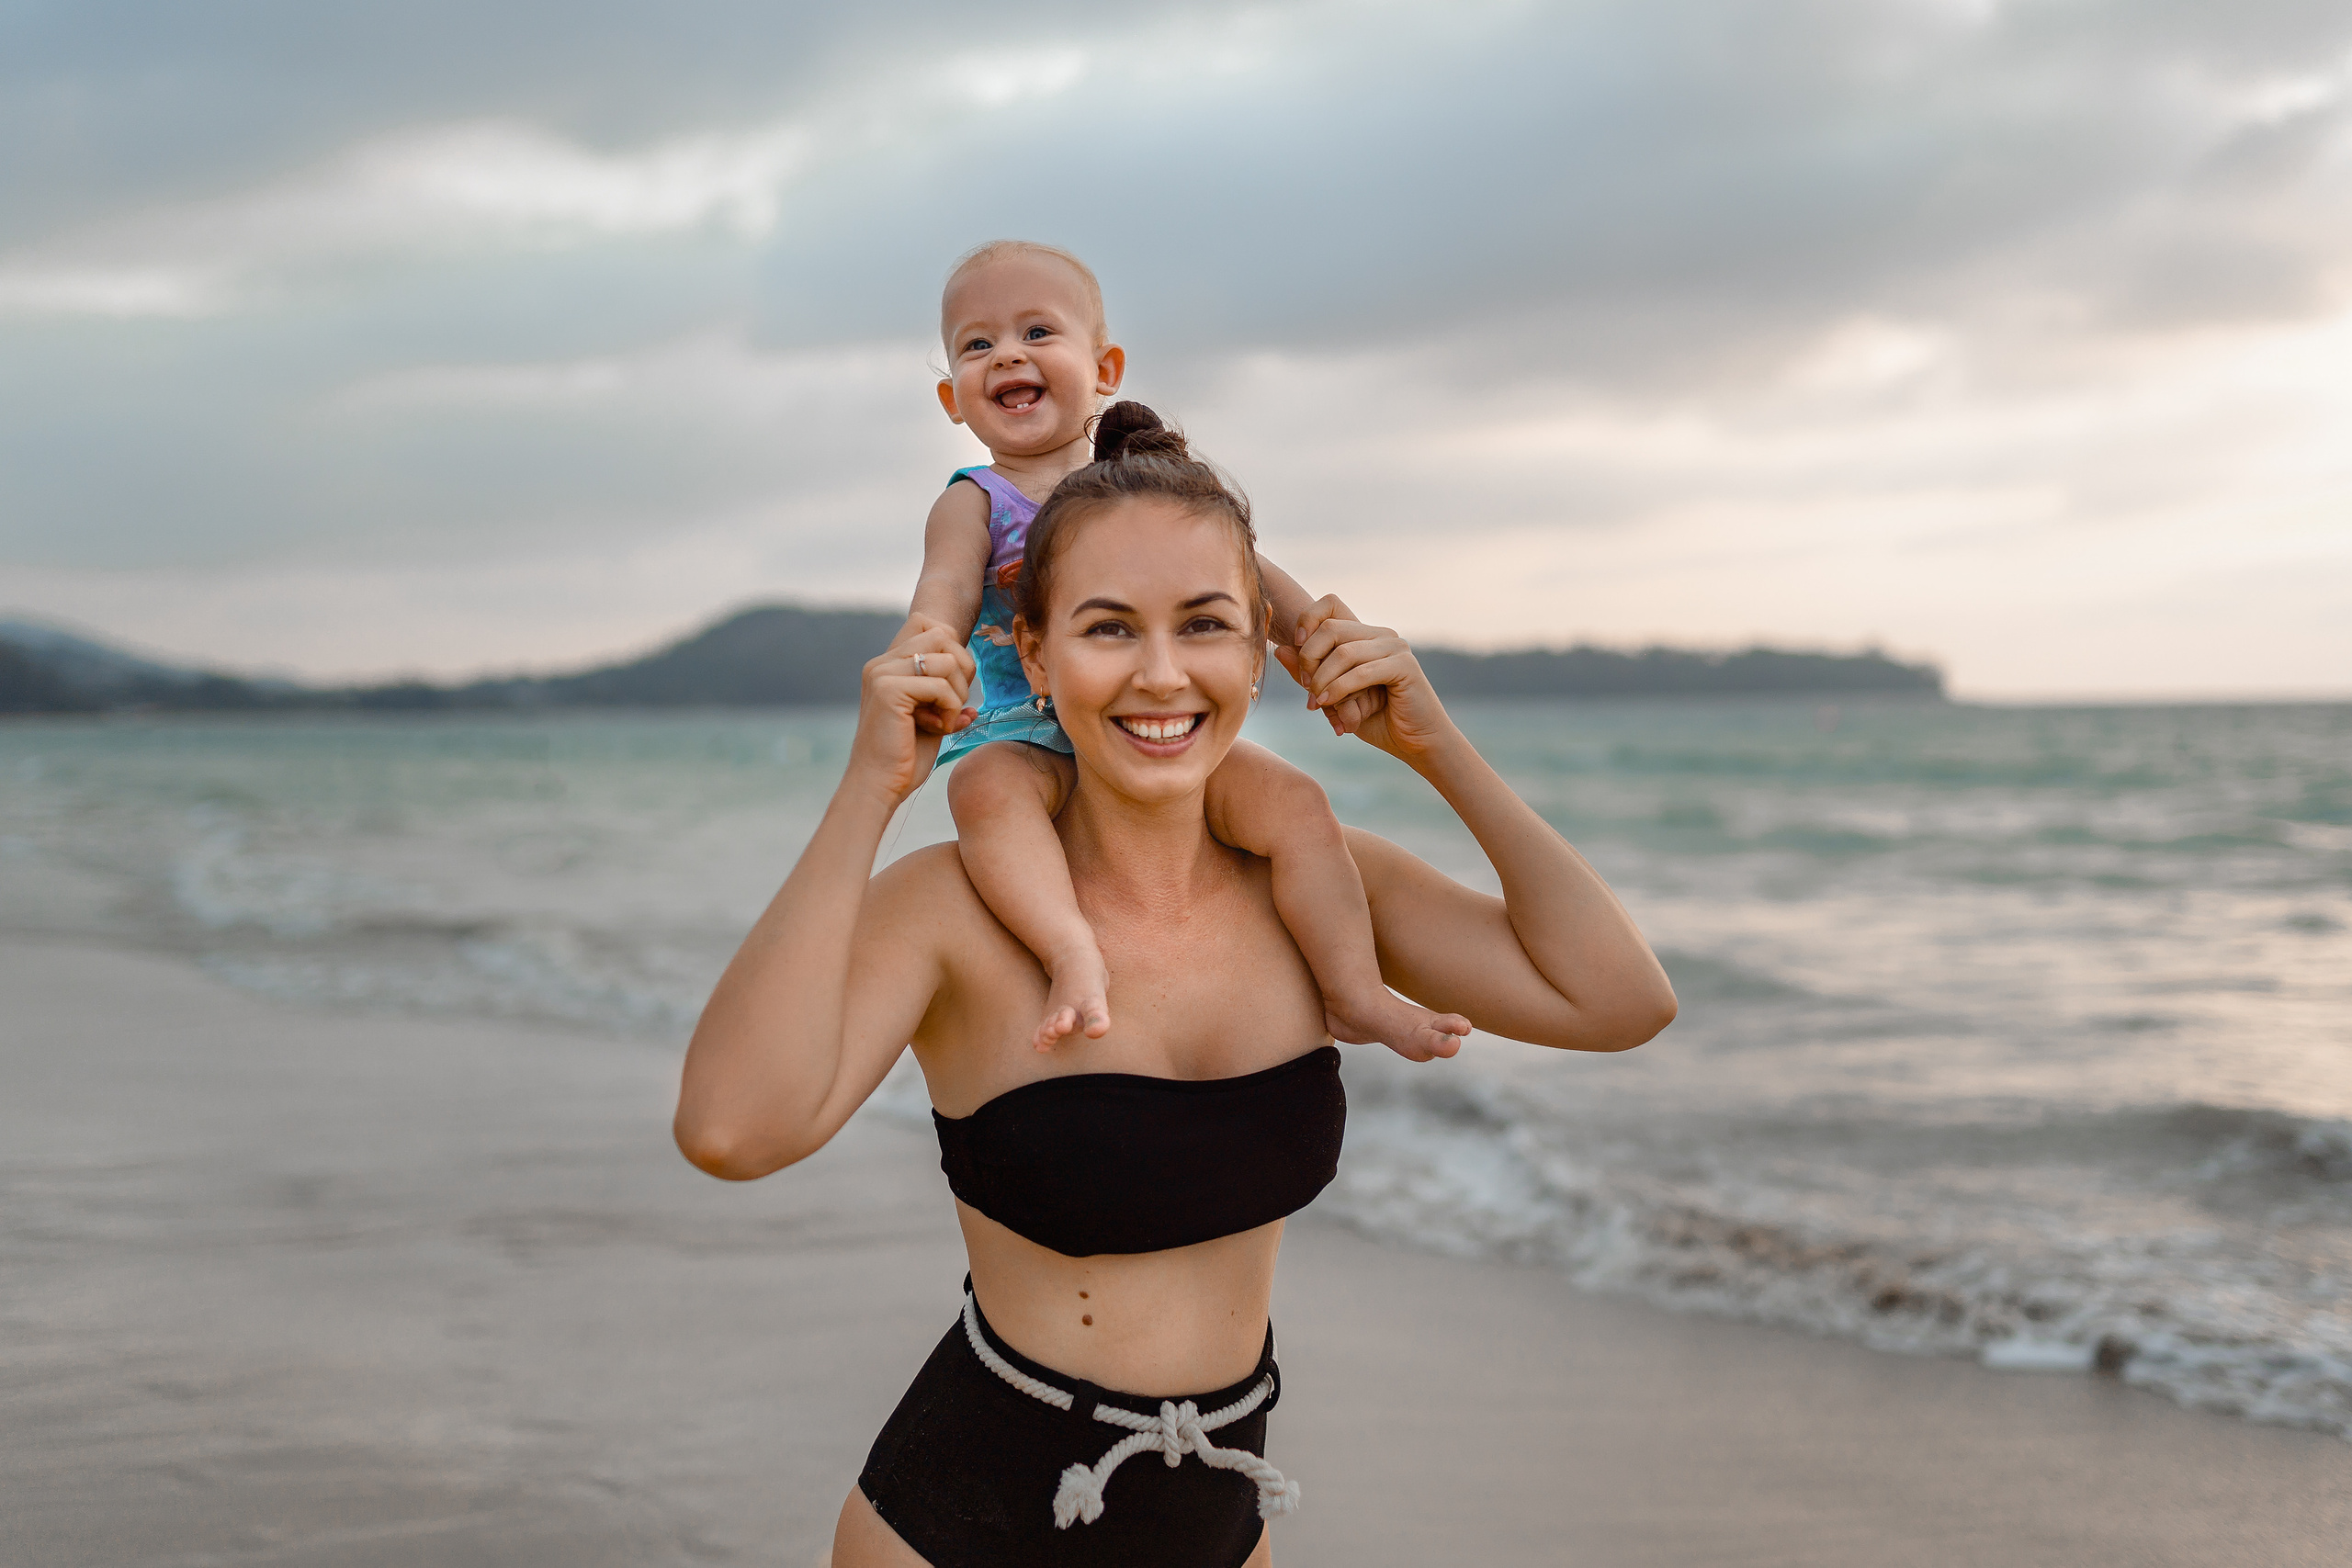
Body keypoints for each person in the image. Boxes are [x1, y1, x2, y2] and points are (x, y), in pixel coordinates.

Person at [674, 416, 1679, 1567]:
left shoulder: (1320, 889)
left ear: (1259, 654)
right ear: (1037, 659)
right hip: (966, 1525)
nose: (1162, 674)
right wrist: (871, 788)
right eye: (1109, 630)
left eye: (1204, 625)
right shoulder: (955, 908)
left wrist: (1435, 746)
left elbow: (1617, 1003)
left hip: (1220, 1520)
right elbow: (731, 1131)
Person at [905, 239, 1469, 1062]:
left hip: (1151, 728)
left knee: (1300, 807)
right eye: (979, 344)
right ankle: (1072, 950)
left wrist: (1317, 637)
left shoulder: (1144, 484)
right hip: (1021, 728)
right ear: (955, 397)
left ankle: (1351, 987)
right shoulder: (973, 503)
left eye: (1037, 331)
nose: (1009, 355)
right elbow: (944, 593)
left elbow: (1245, 578)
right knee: (986, 796)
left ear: (1105, 369)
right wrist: (925, 650)